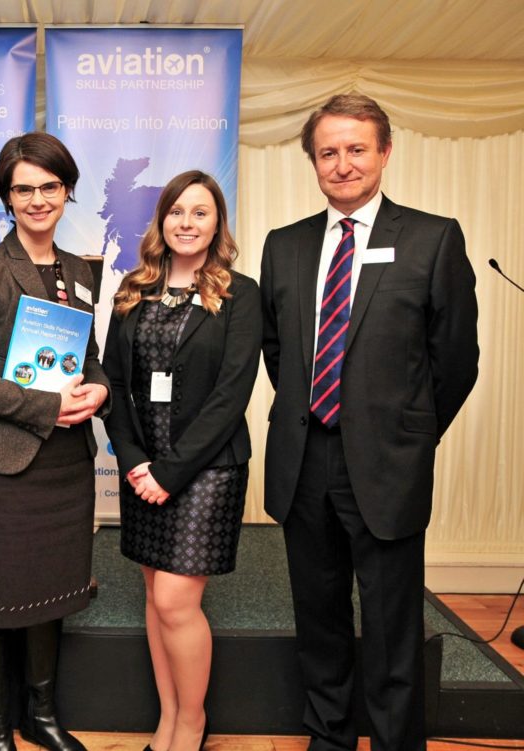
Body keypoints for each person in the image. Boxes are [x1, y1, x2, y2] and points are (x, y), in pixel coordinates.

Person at [260, 94, 479, 751]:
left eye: (357, 148)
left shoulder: (432, 239)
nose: (343, 163)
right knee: (319, 618)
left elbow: (455, 360)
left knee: (390, 625)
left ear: (384, 152)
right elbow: (279, 351)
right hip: (305, 462)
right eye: (328, 152)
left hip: (388, 466)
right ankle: (328, 736)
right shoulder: (284, 245)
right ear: (314, 161)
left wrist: (409, 433)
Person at [0, 132, 110, 751]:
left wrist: (99, 391)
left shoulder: (80, 270)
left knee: (52, 593)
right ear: (7, 198)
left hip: (67, 464)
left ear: (67, 192)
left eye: (49, 186)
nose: (38, 199)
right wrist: (50, 407)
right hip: (7, 466)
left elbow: (89, 360)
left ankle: (40, 718)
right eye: (24, 189)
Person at [102, 171, 261, 751]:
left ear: (217, 223)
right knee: (154, 598)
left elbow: (231, 395)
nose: (186, 223)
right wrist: (135, 461)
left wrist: (170, 473)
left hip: (207, 470)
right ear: (161, 220)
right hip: (143, 469)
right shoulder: (133, 289)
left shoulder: (241, 294)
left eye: (200, 212)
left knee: (175, 600)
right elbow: (113, 382)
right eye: (176, 211)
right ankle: (167, 720)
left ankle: (192, 726)